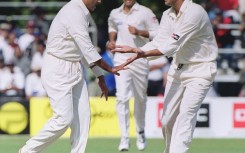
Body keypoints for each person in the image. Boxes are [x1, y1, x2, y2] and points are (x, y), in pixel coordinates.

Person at [18, 0, 127, 153]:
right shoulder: (74, 12)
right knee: (63, 119)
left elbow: (81, 49)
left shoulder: (83, 12)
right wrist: (110, 68)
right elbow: (87, 49)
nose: (100, 1)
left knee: (83, 118)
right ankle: (28, 151)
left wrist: (100, 76)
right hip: (57, 68)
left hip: (74, 67)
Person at [112, 0, 218, 153]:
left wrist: (142, 53)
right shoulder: (167, 15)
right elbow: (159, 42)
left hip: (201, 69)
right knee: (167, 121)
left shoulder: (195, 12)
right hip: (178, 69)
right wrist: (137, 51)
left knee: (186, 115)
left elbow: (170, 45)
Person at [108, 0, 159, 151]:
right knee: (121, 97)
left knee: (140, 98)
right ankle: (124, 137)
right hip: (121, 58)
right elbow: (112, 26)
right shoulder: (114, 13)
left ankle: (140, 131)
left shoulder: (145, 12)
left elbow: (158, 33)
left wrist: (139, 32)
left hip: (140, 58)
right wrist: (112, 40)